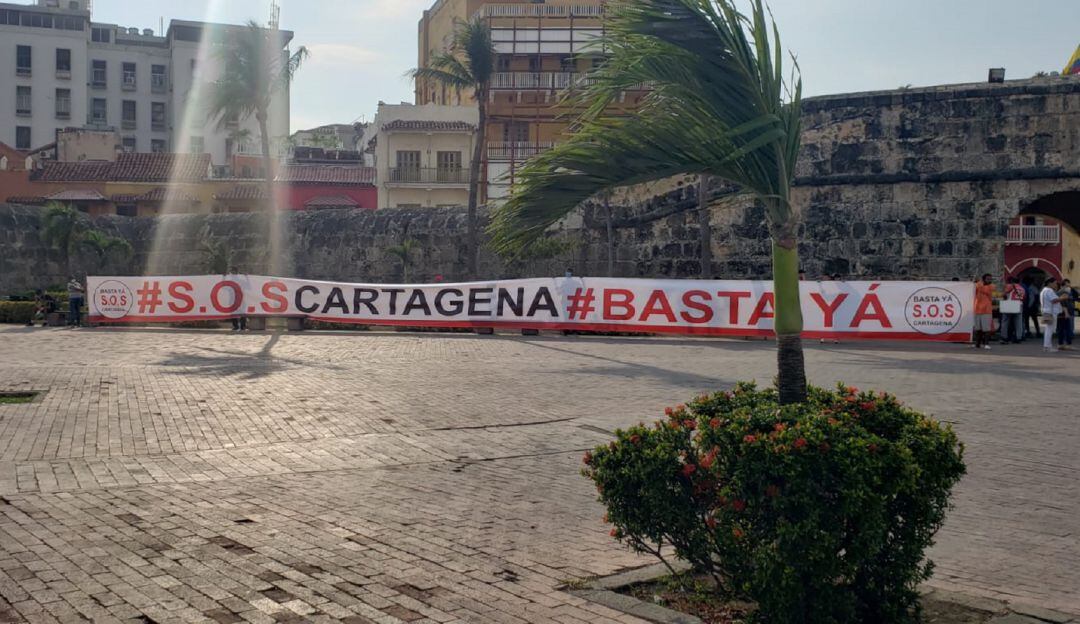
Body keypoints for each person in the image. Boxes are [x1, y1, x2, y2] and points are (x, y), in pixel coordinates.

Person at [1040, 277, 1064, 352]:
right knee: (1049, 330)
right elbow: (1054, 300)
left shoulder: (1044, 290)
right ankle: (1047, 347)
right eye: (1055, 283)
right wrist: (1062, 298)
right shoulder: (1049, 290)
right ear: (1050, 283)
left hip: (1047, 311)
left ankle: (1047, 346)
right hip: (1050, 312)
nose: (1056, 285)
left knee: (1048, 329)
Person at [999, 276, 1025, 345]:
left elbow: (1004, 294)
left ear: (1012, 281)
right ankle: (1018, 337)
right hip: (1019, 304)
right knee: (1018, 322)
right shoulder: (1022, 288)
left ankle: (1004, 337)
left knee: (1005, 321)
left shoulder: (1010, 286)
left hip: (1010, 304)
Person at [972, 274, 994, 350]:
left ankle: (986, 344)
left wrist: (977, 282)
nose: (989, 280)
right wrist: (974, 282)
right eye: (988, 279)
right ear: (984, 279)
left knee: (986, 329)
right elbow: (974, 289)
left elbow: (984, 289)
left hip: (986, 310)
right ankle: (977, 344)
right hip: (977, 309)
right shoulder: (978, 285)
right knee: (978, 328)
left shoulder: (992, 286)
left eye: (990, 279)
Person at [1057, 279, 1075, 350]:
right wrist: (1066, 313)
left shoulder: (1065, 291)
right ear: (1063, 285)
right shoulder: (1063, 292)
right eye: (1068, 285)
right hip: (1064, 313)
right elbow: (1063, 303)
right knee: (1067, 329)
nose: (1069, 286)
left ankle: (1060, 344)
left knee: (1061, 329)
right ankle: (1068, 345)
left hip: (1063, 313)